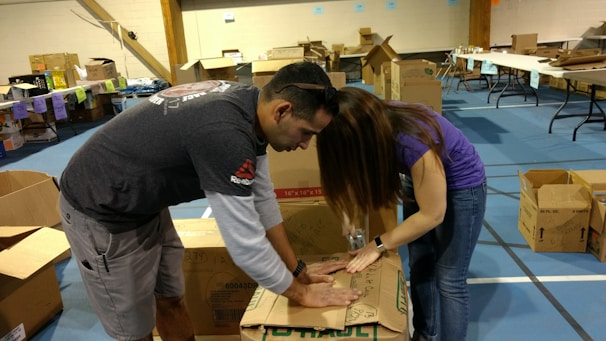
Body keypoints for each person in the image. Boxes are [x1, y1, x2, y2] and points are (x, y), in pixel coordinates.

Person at [58, 62, 362, 341]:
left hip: (144, 204)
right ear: (282, 111)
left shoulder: (251, 108)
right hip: (100, 210)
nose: (305, 144)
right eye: (306, 132)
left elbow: (263, 200)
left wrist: (297, 271)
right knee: (135, 330)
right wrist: (300, 294)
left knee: (171, 298)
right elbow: (245, 245)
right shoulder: (225, 134)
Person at [316, 87, 486, 341]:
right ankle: (425, 334)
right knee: (420, 265)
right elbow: (349, 173)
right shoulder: (368, 121)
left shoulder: (412, 140)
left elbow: (432, 214)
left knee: (449, 279)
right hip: (417, 176)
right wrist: (347, 215)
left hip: (462, 185)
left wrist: (378, 244)